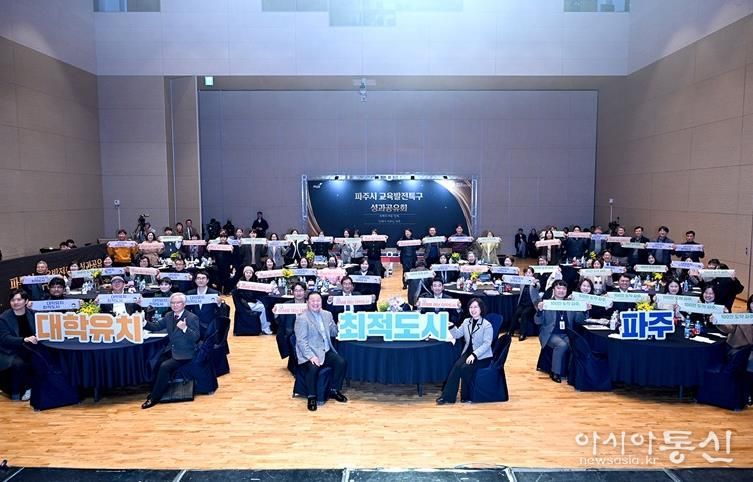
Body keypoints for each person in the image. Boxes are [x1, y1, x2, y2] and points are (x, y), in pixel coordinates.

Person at [141, 293, 201, 409]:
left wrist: (185, 328)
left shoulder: (191, 317)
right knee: (155, 363)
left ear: (184, 304)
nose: (175, 305)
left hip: (185, 353)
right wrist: (144, 323)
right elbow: (157, 326)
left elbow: (196, 337)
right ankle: (155, 390)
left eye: (178, 303)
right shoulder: (169, 315)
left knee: (165, 367)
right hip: (172, 349)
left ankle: (154, 398)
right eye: (173, 303)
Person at [294, 292, 348, 412]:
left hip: (325, 351)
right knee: (313, 368)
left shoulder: (327, 314)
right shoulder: (302, 318)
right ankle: (312, 397)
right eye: (312, 301)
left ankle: (334, 390)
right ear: (307, 302)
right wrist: (311, 357)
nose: (315, 303)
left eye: (318, 301)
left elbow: (334, 333)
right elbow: (301, 341)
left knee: (341, 362)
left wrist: (338, 325)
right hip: (309, 352)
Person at [436, 298, 494, 404]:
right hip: (468, 352)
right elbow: (457, 334)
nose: (473, 310)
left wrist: (474, 355)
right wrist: (451, 326)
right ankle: (447, 397)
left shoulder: (487, 325)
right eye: (471, 307)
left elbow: (487, 344)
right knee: (456, 367)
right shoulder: (466, 321)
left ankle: (466, 396)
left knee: (464, 368)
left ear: (481, 308)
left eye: (475, 307)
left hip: (482, 356)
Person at [534, 280, 587, 383]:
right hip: (550, 334)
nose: (561, 291)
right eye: (558, 288)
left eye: (564, 288)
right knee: (562, 345)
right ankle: (555, 372)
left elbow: (579, 320)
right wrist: (539, 311)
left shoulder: (571, 304)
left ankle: (572, 372)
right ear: (553, 290)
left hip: (566, 334)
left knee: (575, 344)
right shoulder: (547, 303)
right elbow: (537, 321)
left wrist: (584, 310)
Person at [0, 289, 38, 401]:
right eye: (12, 300)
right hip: (9, 351)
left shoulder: (33, 314)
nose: (15, 302)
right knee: (20, 363)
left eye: (19, 299)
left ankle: (34, 387)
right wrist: (24, 339)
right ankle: (17, 392)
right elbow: (4, 339)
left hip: (31, 348)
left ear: (26, 301)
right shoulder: (3, 318)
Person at [232, 266, 271, 335]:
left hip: (253, 301)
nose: (248, 274)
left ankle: (265, 325)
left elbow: (258, 292)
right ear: (244, 273)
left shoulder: (253, 282)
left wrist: (267, 290)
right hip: (245, 304)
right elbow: (234, 293)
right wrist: (237, 288)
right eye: (247, 272)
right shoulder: (240, 282)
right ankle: (264, 328)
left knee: (264, 304)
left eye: (250, 273)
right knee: (262, 307)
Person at [186, 270, 222, 338]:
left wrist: (219, 304)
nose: (201, 280)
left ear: (207, 280)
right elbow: (187, 310)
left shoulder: (214, 293)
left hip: (210, 325)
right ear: (195, 280)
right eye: (198, 278)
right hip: (194, 325)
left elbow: (221, 311)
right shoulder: (190, 293)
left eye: (203, 278)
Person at [509, 267, 540, 341]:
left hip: (532, 304)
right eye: (526, 273)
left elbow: (537, 287)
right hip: (522, 303)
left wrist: (534, 283)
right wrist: (515, 275)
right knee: (516, 313)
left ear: (532, 274)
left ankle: (523, 334)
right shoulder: (522, 281)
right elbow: (514, 284)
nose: (527, 274)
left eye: (529, 272)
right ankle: (511, 331)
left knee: (524, 314)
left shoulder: (536, 281)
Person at [211, 230, 235, 295]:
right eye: (221, 237)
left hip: (227, 266)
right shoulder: (217, 245)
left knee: (227, 281)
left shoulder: (230, 246)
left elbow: (233, 257)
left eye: (224, 237)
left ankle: (226, 293)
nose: (223, 238)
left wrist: (232, 251)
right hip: (218, 266)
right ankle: (219, 293)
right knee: (218, 281)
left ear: (226, 238)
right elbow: (213, 255)